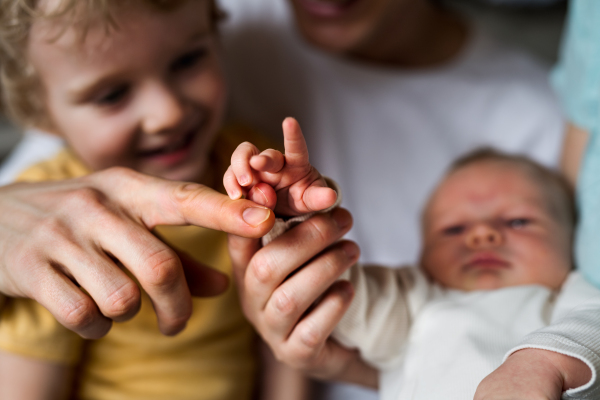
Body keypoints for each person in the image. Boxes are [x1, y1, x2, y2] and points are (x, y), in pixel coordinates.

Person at [0, 0, 284, 398]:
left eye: (187, 60)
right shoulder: (48, 225)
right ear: (40, 113)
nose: (167, 113)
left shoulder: (254, 166)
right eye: (112, 94)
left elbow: (286, 338)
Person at [226, 129, 599, 399]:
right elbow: (340, 295)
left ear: (572, 241)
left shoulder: (572, 295)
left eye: (518, 221)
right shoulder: (417, 302)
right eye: (454, 229)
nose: (481, 235)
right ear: (422, 256)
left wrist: (541, 365)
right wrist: (295, 218)